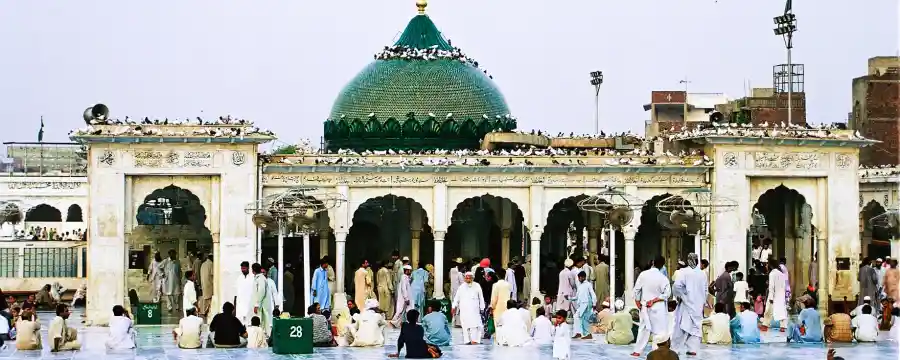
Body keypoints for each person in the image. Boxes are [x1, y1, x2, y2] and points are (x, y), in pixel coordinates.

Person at [632, 256, 671, 357]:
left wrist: (637, 302)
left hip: (645, 306)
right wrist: (654, 300)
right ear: (662, 265)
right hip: (658, 306)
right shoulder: (663, 278)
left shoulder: (643, 274)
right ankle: (657, 350)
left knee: (643, 328)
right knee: (659, 330)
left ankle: (637, 351)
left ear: (652, 262)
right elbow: (667, 294)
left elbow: (636, 290)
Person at [452, 271, 485, 345]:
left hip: (474, 310)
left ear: (472, 278)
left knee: (475, 325)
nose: (468, 279)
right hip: (464, 309)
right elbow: (457, 298)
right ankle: (466, 341)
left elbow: (481, 297)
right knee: (465, 326)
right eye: (466, 278)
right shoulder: (461, 287)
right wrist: (454, 306)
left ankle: (474, 340)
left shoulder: (477, 285)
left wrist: (482, 307)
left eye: (469, 278)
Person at [763, 258, 788, 331]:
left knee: (768, 310)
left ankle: (765, 325)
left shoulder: (772, 274)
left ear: (770, 265)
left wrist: (771, 297)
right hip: (781, 294)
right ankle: (783, 326)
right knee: (781, 310)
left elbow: (771, 286)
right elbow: (784, 286)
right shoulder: (781, 274)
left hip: (773, 295)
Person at [250, 263, 273, 336]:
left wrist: (257, 304)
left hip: (262, 305)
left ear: (253, 270)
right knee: (263, 322)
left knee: (264, 322)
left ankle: (266, 338)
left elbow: (261, 291)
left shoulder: (261, 279)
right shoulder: (258, 278)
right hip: (261, 304)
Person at [573, 271, 596, 339]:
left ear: (583, 277)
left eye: (579, 278)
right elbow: (576, 297)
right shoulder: (580, 286)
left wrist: (594, 304)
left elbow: (593, 294)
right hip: (581, 305)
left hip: (587, 304)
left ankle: (588, 334)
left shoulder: (588, 284)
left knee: (584, 319)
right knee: (576, 317)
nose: (579, 279)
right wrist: (569, 298)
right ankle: (578, 333)